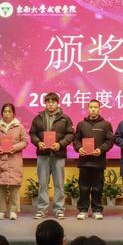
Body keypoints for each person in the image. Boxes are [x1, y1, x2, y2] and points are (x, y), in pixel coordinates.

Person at [29, 92, 75, 220]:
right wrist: (38, 142)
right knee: (43, 184)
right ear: (45, 103)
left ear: (57, 103)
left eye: (53, 102)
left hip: (58, 154)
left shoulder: (65, 118)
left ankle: (59, 209)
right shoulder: (38, 118)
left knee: (59, 184)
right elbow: (32, 134)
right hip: (43, 155)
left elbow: (70, 134)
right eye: (48, 102)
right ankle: (41, 209)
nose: (50, 104)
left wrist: (60, 144)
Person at [73, 99, 115, 220]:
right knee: (83, 187)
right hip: (84, 162)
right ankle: (83, 210)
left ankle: (97, 210)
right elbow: (76, 139)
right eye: (91, 107)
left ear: (99, 109)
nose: (93, 109)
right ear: (88, 109)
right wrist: (79, 148)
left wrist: (101, 149)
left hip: (98, 162)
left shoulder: (106, 124)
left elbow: (110, 141)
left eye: (95, 107)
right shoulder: (81, 124)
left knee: (98, 188)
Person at [0, 103, 29, 220]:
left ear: (13, 113)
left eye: (9, 111)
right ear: (2, 113)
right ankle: (1, 211)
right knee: (0, 186)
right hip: (0, 160)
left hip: (14, 160)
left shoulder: (19, 126)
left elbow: (25, 141)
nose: (7, 114)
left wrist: (15, 147)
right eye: (5, 111)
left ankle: (13, 211)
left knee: (14, 187)